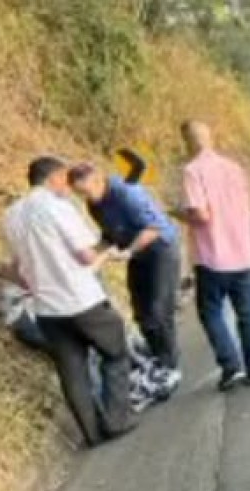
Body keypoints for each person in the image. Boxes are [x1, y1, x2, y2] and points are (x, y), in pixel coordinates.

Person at [0, 156, 135, 447]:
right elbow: (85, 256)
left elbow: (19, 270)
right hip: (81, 298)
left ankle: (92, 433)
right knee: (115, 352)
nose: (69, 186)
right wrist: (108, 248)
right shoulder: (58, 208)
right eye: (66, 179)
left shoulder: (11, 216)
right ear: (54, 178)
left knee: (72, 371)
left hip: (47, 310)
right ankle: (116, 420)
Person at [68, 163, 182, 395]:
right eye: (79, 194)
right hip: (137, 253)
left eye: (87, 191)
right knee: (141, 312)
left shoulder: (126, 193)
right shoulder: (93, 204)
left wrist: (128, 251)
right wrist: (93, 254)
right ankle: (157, 358)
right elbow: (109, 236)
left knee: (159, 310)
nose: (86, 197)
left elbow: (152, 228)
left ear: (98, 179)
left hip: (160, 249)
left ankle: (169, 366)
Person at [177, 120, 250, 391]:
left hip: (212, 256)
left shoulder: (193, 171)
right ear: (210, 138)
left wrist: (179, 214)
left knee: (210, 313)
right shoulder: (234, 168)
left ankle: (231, 367)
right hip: (242, 253)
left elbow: (201, 215)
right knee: (247, 314)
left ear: (187, 141)